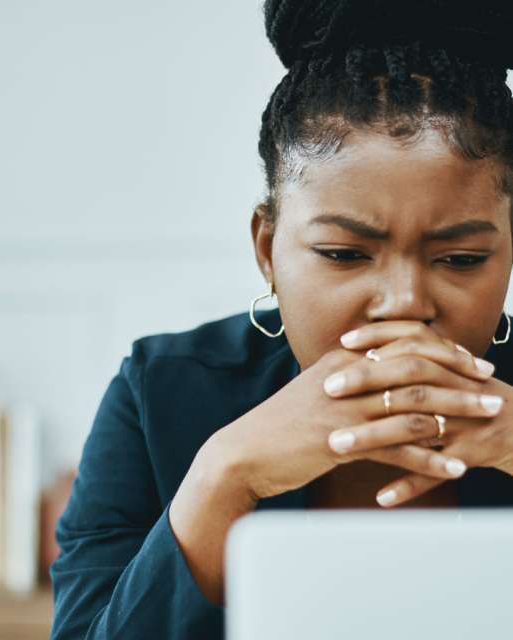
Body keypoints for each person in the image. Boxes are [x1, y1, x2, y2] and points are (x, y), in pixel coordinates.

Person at [49, 1, 513, 638]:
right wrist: (226, 475)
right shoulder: (157, 392)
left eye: (461, 258)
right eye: (345, 254)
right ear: (267, 248)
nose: (405, 303)